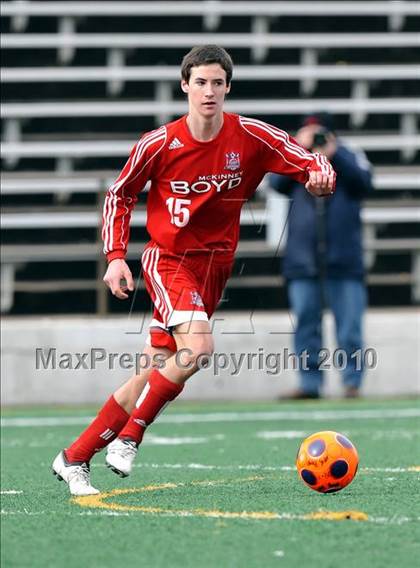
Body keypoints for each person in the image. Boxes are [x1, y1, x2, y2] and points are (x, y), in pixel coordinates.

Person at [52, 45, 336, 495]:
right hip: (170, 262)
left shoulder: (250, 136)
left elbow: (306, 158)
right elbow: (119, 196)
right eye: (200, 82)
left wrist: (322, 175)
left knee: (150, 374)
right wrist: (114, 258)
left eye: (217, 83)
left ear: (227, 88)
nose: (209, 91)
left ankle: (74, 457)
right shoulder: (160, 143)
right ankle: (129, 439)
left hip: (215, 267)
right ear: (185, 85)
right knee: (199, 347)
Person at [269, 113, 373, 400]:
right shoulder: (296, 158)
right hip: (303, 260)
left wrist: (334, 154)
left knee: (350, 327)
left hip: (344, 260)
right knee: (305, 325)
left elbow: (364, 183)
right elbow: (276, 185)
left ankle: (352, 383)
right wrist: (300, 151)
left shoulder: (349, 155)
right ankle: (309, 383)